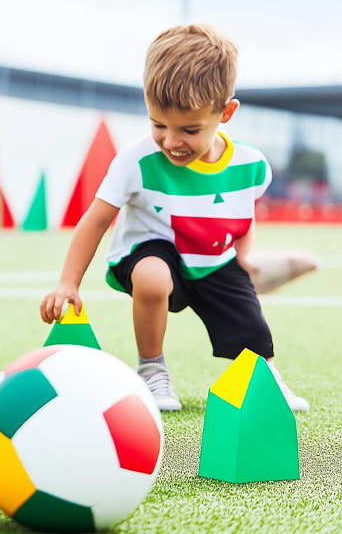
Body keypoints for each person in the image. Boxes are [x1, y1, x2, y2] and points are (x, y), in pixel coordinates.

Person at [40, 24, 313, 412]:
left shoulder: (251, 165)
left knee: (251, 323)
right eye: (158, 125)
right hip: (151, 250)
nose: (171, 141)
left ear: (226, 113)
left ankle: (262, 380)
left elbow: (241, 214)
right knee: (153, 276)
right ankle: (151, 369)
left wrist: (244, 257)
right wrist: (68, 282)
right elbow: (95, 220)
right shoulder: (136, 161)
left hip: (212, 257)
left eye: (189, 129)